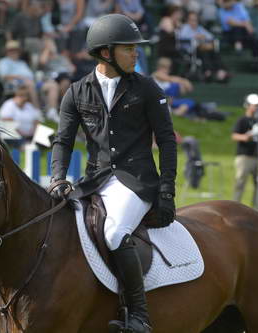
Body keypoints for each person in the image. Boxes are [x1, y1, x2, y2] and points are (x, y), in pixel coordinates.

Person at [49, 14, 177, 333]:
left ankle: (139, 315)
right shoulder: (77, 92)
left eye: (136, 49)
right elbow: (62, 140)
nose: (136, 54)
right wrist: (57, 178)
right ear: (107, 53)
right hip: (94, 181)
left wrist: (166, 189)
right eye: (129, 48)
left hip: (137, 182)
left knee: (115, 233)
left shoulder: (146, 88)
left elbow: (166, 141)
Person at [231, 93, 258, 204]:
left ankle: (257, 206)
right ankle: (235, 204)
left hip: (257, 156)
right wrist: (247, 136)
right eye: (254, 105)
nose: (256, 108)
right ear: (248, 105)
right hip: (244, 156)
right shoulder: (242, 120)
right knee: (240, 182)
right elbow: (234, 135)